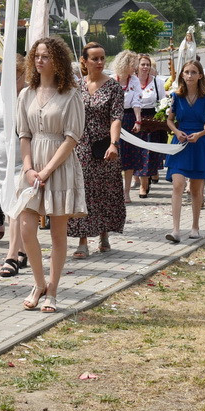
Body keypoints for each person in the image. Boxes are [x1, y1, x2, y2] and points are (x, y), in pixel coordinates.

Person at [16, 36, 86, 313]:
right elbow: (24, 135)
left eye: (45, 56)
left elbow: (72, 138)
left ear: (57, 61)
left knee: (58, 233)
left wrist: (47, 170)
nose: (40, 60)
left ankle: (53, 290)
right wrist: (28, 169)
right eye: (37, 56)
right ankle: (38, 283)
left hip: (60, 166)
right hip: (32, 167)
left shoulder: (70, 95)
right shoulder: (26, 94)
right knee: (26, 228)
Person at [69, 43, 125, 258]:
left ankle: (104, 233)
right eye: (95, 58)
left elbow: (116, 118)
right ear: (84, 61)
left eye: (102, 58)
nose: (100, 62)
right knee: (83, 191)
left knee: (104, 191)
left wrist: (114, 144)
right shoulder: (76, 87)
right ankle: (82, 241)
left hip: (104, 146)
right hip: (81, 145)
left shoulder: (113, 87)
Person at [0, 60, 28, 277]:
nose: (10, 81)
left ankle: (11, 256)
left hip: (23, 160)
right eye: (6, 75)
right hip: (1, 161)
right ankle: (23, 250)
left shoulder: (29, 93)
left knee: (17, 204)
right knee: (9, 207)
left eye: (15, 76)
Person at [165, 59, 205, 243]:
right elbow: (169, 120)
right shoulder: (176, 96)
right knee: (178, 184)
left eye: (193, 72)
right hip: (180, 144)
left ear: (200, 75)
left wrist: (200, 134)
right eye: (186, 72)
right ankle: (175, 230)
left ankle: (195, 227)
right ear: (182, 75)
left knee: (195, 189)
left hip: (199, 145)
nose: (189, 75)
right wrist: (176, 131)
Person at [122, 54, 166, 198]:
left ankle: (144, 183)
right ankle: (140, 181)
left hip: (151, 120)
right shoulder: (133, 81)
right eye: (143, 64)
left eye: (148, 64)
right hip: (135, 117)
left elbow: (163, 101)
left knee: (148, 153)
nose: (145, 67)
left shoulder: (157, 82)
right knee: (137, 152)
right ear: (137, 66)